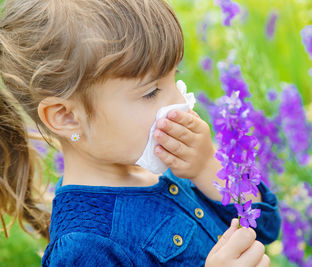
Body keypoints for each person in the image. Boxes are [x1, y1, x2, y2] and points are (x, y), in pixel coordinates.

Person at [0, 0, 280, 266]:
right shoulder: (84, 246)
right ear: (67, 117)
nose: (177, 102)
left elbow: (264, 227)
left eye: (175, 75)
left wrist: (207, 166)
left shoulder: (163, 166)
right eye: (151, 92)